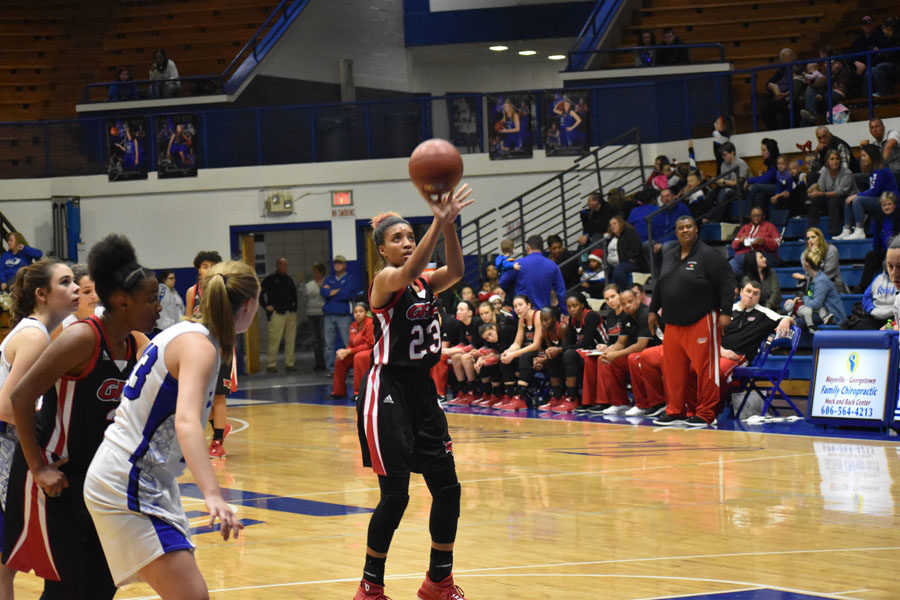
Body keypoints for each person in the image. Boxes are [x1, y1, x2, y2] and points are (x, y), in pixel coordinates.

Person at [83, 260, 257, 597]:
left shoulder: (183, 331)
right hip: (129, 480)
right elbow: (187, 421)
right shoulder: (200, 347)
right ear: (249, 305)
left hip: (139, 476)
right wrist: (212, 494)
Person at [3, 234, 159, 599]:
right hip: (58, 478)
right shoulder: (82, 338)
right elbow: (20, 396)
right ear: (121, 302)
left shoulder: (137, 344)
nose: (156, 309)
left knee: (103, 585)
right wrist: (39, 467)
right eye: (150, 300)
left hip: (100, 479)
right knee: (70, 588)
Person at [353, 183, 473, 600]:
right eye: (396, 239)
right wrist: (437, 222)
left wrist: (450, 226)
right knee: (396, 496)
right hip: (386, 390)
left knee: (448, 488)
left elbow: (455, 271)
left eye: (409, 236)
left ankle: (438, 581)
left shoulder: (426, 282)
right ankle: (370, 587)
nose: (405, 243)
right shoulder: (386, 280)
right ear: (382, 250)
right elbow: (407, 271)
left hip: (422, 391)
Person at [0, 260, 78, 597]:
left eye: (75, 281)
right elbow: (6, 406)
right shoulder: (33, 336)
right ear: (42, 294)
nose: (74, 288)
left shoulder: (35, 331)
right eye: (66, 282)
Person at [650, 215, 734, 428]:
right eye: (681, 228)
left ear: (696, 229)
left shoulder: (709, 255)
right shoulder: (669, 255)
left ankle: (706, 413)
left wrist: (726, 312)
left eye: (689, 227)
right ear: (676, 232)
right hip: (672, 322)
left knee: (706, 369)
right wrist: (652, 310)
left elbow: (726, 281)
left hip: (701, 319)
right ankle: (675, 411)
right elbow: (660, 284)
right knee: (672, 370)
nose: (685, 230)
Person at [184, 250, 234, 458]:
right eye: (204, 266)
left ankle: (217, 441)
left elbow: (230, 321)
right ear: (198, 269)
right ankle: (220, 427)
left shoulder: (224, 291)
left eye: (212, 266)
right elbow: (187, 319)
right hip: (198, 346)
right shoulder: (192, 292)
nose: (208, 270)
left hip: (220, 346)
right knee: (203, 396)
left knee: (219, 396)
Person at [590, 288, 659, 415]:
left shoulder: (645, 314)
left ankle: (643, 404)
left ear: (638, 299)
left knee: (632, 358)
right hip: (637, 353)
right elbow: (621, 342)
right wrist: (609, 352)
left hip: (653, 351)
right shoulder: (626, 317)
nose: (627, 305)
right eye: (624, 303)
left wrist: (615, 354)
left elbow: (641, 346)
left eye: (630, 301)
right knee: (608, 360)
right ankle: (620, 403)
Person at [838, 144, 900, 240]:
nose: (862, 158)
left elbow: (874, 191)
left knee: (856, 200)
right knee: (848, 200)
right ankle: (847, 230)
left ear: (871, 156)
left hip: (889, 201)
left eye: (864, 156)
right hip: (878, 199)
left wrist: (857, 195)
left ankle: (859, 230)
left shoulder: (881, 170)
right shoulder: (873, 170)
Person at [494, 295, 544, 412]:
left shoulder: (538, 316)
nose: (518, 308)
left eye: (520, 305)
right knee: (505, 358)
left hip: (541, 353)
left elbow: (536, 345)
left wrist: (514, 354)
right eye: (515, 306)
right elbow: (517, 343)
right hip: (527, 352)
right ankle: (510, 395)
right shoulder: (522, 319)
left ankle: (520, 397)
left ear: (528, 305)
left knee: (523, 357)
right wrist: (508, 352)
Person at [498, 235, 566, 313]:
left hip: (522, 313)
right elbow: (561, 292)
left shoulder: (517, 264)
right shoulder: (553, 266)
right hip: (544, 313)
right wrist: (564, 312)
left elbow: (502, 282)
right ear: (542, 248)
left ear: (528, 247)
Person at [857, 192, 900, 293]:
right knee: (871, 256)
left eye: (889, 204)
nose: (887, 207)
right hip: (884, 251)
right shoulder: (878, 219)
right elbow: (876, 241)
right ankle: (863, 287)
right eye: (884, 205)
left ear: (894, 205)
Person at [330, 302, 374, 400]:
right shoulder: (353, 325)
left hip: (371, 351)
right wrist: (344, 351)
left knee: (359, 357)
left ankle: (359, 393)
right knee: (340, 359)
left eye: (361, 311)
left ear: (366, 312)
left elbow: (369, 344)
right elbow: (351, 344)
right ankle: (338, 392)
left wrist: (349, 351)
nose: (357, 314)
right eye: (355, 312)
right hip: (357, 351)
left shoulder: (370, 323)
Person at [807, 149, 856, 236]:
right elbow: (821, 188)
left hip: (847, 200)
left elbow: (841, 192)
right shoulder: (825, 172)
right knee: (815, 200)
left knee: (833, 201)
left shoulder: (847, 172)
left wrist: (823, 194)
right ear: (827, 162)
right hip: (831, 199)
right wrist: (814, 189)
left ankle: (833, 232)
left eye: (837, 159)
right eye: (832, 159)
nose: (835, 161)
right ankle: (811, 231)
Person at [261, 257, 298, 373]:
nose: (285, 267)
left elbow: (294, 295)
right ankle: (271, 364)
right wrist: (266, 306)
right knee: (274, 340)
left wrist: (294, 308)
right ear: (277, 266)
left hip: (290, 313)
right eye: (282, 265)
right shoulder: (270, 279)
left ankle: (290, 363)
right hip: (277, 313)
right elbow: (260, 293)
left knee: (290, 340)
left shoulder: (289, 279)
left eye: (286, 265)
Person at [322, 255, 357, 374]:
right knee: (329, 344)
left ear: (345, 265)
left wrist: (332, 292)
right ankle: (331, 368)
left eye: (340, 263)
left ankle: (351, 368)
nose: (337, 265)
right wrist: (335, 291)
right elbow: (323, 292)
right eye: (336, 263)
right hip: (328, 315)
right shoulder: (329, 278)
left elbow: (346, 294)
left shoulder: (350, 278)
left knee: (348, 342)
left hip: (343, 315)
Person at [794, 251, 846, 330]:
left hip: (831, 317)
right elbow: (811, 297)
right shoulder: (812, 278)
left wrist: (803, 298)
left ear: (807, 264)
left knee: (797, 322)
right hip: (820, 312)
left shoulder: (821, 280)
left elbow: (815, 304)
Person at [703, 141, 749, 223]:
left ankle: (716, 219)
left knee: (724, 192)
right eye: (722, 155)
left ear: (732, 153)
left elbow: (736, 183)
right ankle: (706, 216)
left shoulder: (740, 163)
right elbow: (723, 182)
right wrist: (716, 181)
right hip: (727, 187)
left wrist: (723, 181)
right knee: (712, 192)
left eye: (725, 154)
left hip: (741, 188)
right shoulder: (723, 165)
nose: (723, 157)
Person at [728, 206, 782, 276]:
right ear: (750, 216)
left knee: (741, 259)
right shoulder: (745, 227)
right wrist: (741, 241)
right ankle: (743, 283)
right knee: (731, 265)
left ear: (763, 216)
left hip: (765, 256)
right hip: (745, 255)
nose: (756, 218)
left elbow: (777, 243)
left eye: (758, 216)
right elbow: (734, 245)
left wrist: (764, 241)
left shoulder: (769, 226)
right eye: (754, 216)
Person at [794, 227, 849, 293]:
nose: (810, 240)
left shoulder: (831, 250)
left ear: (820, 238)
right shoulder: (804, 255)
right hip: (813, 286)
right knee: (803, 294)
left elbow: (828, 274)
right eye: (808, 238)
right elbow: (809, 274)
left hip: (832, 286)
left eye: (813, 237)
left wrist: (804, 277)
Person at [759, 48, 801, 130]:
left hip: (791, 95)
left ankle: (786, 130)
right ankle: (772, 131)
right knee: (765, 106)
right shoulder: (781, 70)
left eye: (789, 57)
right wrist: (771, 86)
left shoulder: (798, 68)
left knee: (787, 107)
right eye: (784, 58)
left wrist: (785, 94)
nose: (787, 59)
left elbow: (799, 84)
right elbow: (769, 83)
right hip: (779, 95)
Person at [605, 214, 645, 289]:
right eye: (610, 225)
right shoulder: (612, 238)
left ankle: (625, 290)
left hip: (633, 263)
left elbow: (636, 248)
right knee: (611, 283)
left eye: (614, 223)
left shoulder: (629, 232)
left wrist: (631, 258)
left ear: (621, 223)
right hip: (616, 265)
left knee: (618, 271)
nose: (612, 226)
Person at [743, 138, 780, 213]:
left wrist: (749, 180)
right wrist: (764, 174)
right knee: (759, 195)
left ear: (771, 150)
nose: (761, 153)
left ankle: (746, 214)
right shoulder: (772, 160)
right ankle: (761, 217)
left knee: (756, 186)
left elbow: (766, 179)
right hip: (773, 186)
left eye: (764, 150)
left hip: (780, 187)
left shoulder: (777, 160)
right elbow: (771, 177)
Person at [305, 262, 327, 372]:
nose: (315, 274)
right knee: (315, 340)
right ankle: (319, 363)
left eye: (317, 271)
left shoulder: (327, 282)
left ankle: (327, 363)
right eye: (314, 272)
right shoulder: (310, 284)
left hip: (323, 313)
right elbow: (306, 294)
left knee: (324, 338)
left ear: (322, 272)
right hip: (311, 314)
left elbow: (327, 294)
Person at [872, 18, 900, 97]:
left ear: (889, 29)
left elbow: (894, 55)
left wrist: (881, 53)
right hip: (894, 64)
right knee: (874, 70)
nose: (883, 32)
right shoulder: (889, 39)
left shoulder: (897, 39)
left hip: (898, 64)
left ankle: (883, 93)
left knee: (879, 67)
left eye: (883, 29)